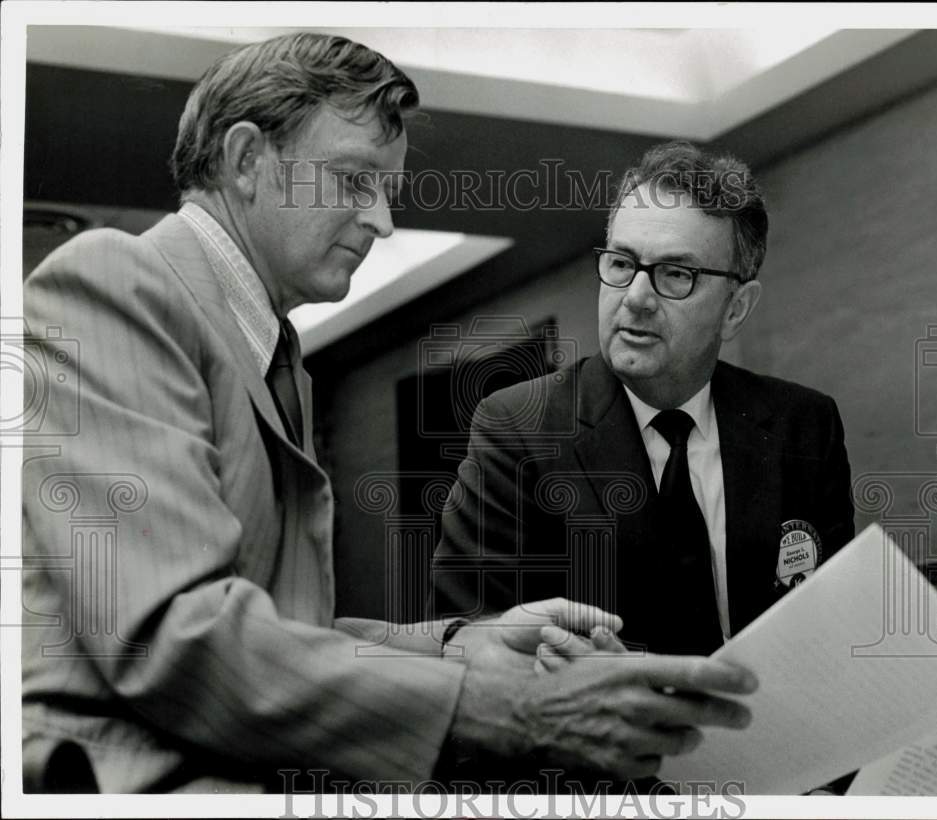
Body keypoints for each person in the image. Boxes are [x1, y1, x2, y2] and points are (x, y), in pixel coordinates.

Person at [20, 34, 757, 794]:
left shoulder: (274, 352)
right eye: (353, 180)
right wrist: (506, 708)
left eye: (386, 187)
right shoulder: (111, 281)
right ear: (245, 161)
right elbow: (170, 637)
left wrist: (461, 648)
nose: (382, 221)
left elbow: (279, 631)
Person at [433, 141, 855, 659]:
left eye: (676, 274)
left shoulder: (803, 426)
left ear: (735, 307)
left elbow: (831, 624)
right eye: (621, 262)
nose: (635, 296)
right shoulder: (519, 428)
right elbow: (469, 637)